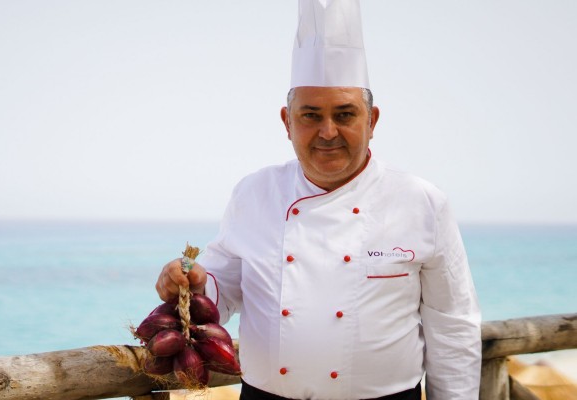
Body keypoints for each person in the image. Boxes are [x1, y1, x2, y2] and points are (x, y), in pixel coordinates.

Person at [156, 1, 481, 399]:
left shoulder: (422, 202)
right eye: (310, 115)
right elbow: (220, 293)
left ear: (372, 121)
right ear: (287, 122)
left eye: (345, 115)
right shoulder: (254, 193)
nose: (328, 132)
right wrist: (193, 283)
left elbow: (453, 325)